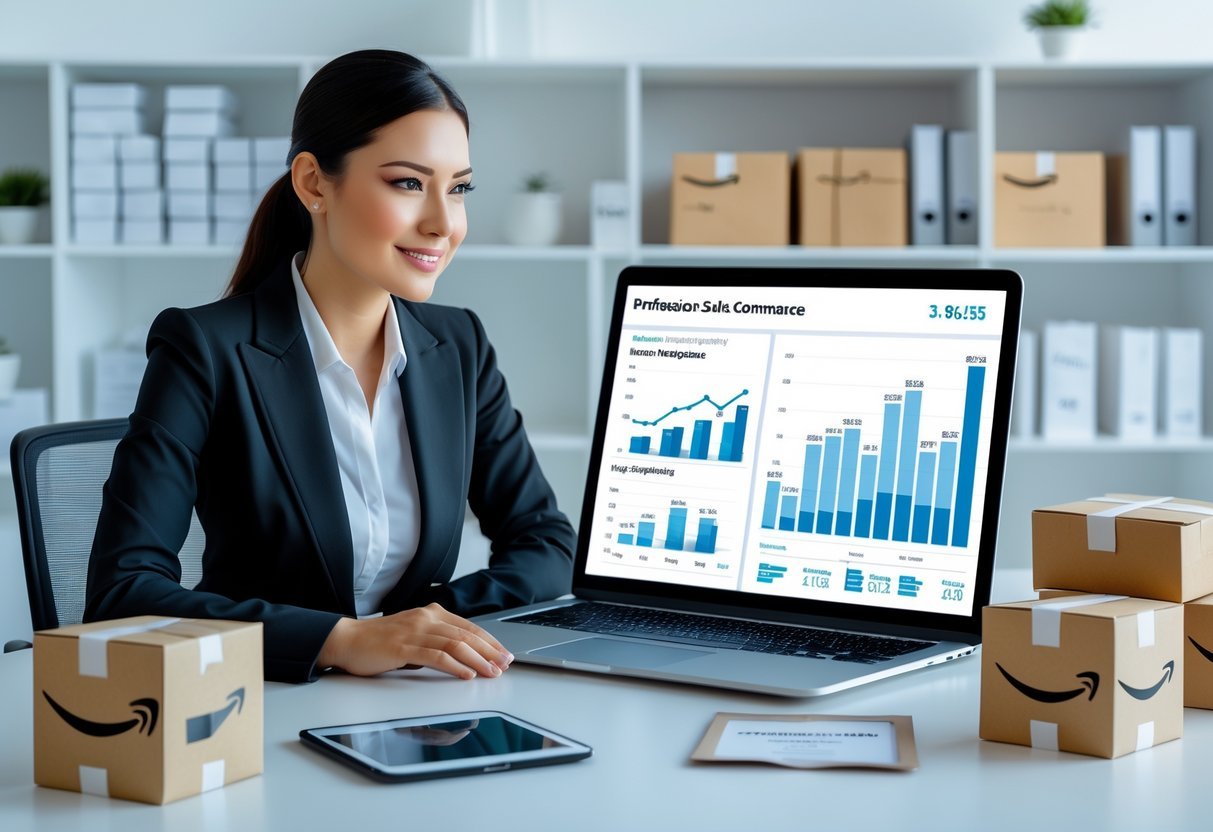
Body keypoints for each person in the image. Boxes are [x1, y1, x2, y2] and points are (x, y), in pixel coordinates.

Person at [84, 49, 576, 684]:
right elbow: (122, 593)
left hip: (418, 704)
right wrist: (342, 640)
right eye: (407, 183)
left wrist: (423, 627)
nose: (442, 223)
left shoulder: (458, 345)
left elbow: (546, 543)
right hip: (260, 707)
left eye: (458, 189)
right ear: (314, 182)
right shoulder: (205, 347)